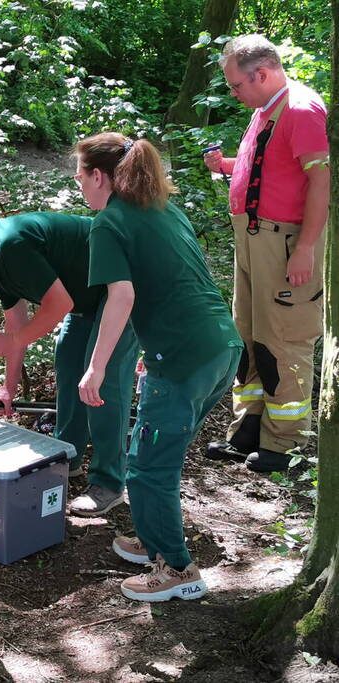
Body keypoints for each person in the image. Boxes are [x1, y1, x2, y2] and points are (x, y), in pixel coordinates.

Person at [76, 132, 242, 601]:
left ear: (99, 176)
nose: (79, 185)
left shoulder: (108, 223)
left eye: (81, 176)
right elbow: (175, 280)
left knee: (149, 468)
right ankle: (152, 540)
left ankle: (177, 569)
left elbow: (122, 297)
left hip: (185, 357)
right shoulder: (166, 209)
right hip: (221, 346)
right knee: (154, 453)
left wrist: (96, 368)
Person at [0, 204, 139, 516]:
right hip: (85, 302)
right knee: (69, 369)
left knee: (103, 381)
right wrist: (8, 388)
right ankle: (67, 458)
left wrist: (12, 341)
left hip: (120, 289)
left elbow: (58, 304)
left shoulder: (10, 244)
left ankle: (109, 483)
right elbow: (17, 323)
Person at [202, 35, 328, 473]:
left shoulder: (301, 108)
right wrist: (225, 167)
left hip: (286, 242)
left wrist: (306, 248)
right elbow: (267, 170)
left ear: (262, 73)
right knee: (250, 336)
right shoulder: (265, 111)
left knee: (284, 340)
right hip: (253, 239)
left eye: (237, 85)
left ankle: (286, 443)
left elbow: (319, 182)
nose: (233, 93)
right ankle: (249, 430)